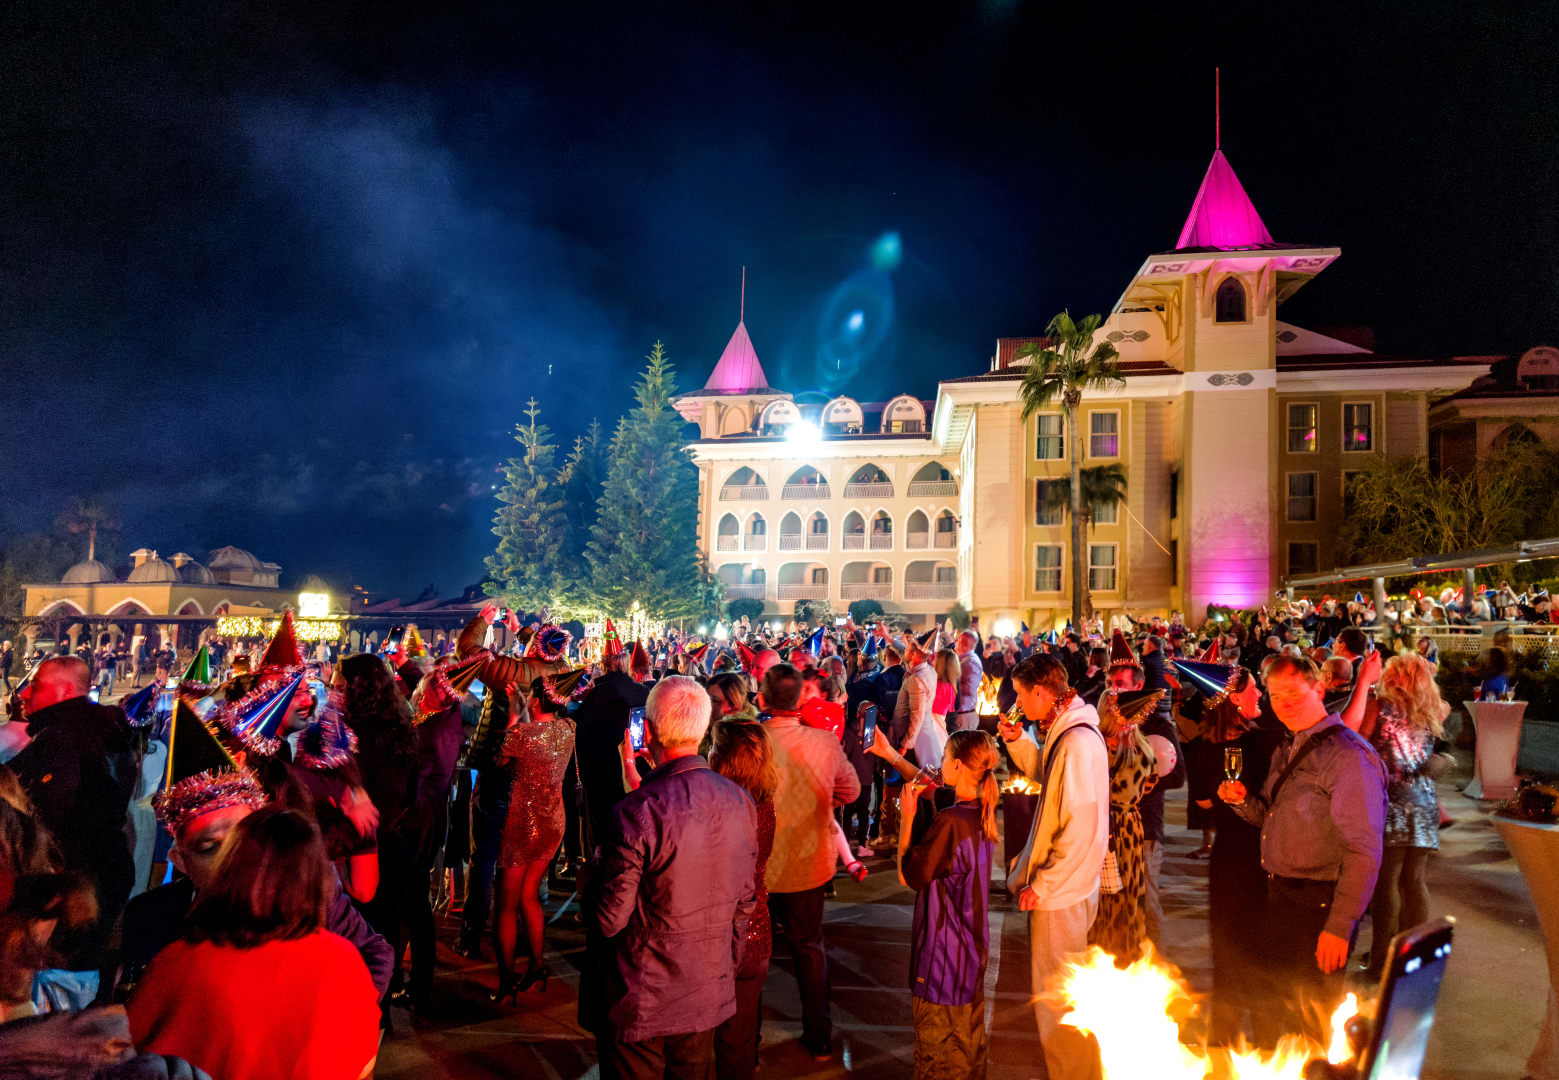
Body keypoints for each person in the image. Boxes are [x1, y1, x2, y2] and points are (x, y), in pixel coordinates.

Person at [118, 701, 393, 1000]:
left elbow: (376, 954)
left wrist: (340, 1017)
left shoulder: (308, 891)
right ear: (180, 861)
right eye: (210, 847)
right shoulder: (149, 918)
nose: (234, 855)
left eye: (244, 835)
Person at [127, 807, 382, 1080]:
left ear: (234, 867)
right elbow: (361, 1064)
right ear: (316, 877)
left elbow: (133, 1047)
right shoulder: (341, 961)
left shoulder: (177, 960)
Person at [592, 677, 758, 1080]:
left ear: (647, 732)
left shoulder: (636, 812)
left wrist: (594, 870)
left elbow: (609, 918)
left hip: (643, 994)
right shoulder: (739, 800)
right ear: (703, 731)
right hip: (706, 987)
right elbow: (744, 904)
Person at [1217, 656, 1387, 1045]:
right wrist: (1241, 802)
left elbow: (1363, 850)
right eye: (1276, 695)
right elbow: (1270, 819)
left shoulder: (1348, 756)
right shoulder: (1290, 745)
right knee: (1276, 1012)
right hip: (1280, 899)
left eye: (1294, 692)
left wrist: (1340, 926)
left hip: (1319, 906)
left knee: (1311, 1020)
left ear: (1320, 689)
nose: (1284, 703)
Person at [998, 653, 1109, 1080]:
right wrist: (1018, 742)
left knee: (1056, 991)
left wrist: (1044, 883)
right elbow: (1050, 773)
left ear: (1041, 692)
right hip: (1071, 884)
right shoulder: (1069, 730)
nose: (1018, 704)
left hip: (1063, 890)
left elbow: (1079, 825)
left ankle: (1071, 1071)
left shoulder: (1076, 741)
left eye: (1021, 695)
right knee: (1062, 985)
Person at [9, 656, 138, 992]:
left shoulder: (64, 737)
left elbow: (45, 807)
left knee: (55, 979)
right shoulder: (103, 731)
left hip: (73, 883)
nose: (26, 694)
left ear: (66, 690)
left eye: (37, 685)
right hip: (102, 872)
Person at [761, 663, 861, 1061]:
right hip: (808, 862)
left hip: (762, 864)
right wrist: (819, 800)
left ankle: (744, 1044)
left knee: (754, 955)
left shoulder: (753, 741)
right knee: (809, 947)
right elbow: (851, 791)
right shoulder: (823, 741)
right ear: (800, 699)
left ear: (763, 698)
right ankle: (819, 1035)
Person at [898, 730, 999, 1080]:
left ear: (957, 765)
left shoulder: (951, 822)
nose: (940, 764)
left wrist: (907, 817)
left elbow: (909, 876)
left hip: (941, 962)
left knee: (937, 1063)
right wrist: (889, 753)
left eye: (944, 758)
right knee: (969, 1056)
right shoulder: (980, 813)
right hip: (969, 958)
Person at [490, 672, 579, 1002]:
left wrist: (514, 716)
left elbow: (500, 759)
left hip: (522, 821)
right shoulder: (568, 729)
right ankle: (538, 967)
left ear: (537, 701)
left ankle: (506, 982)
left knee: (506, 903)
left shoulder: (521, 734)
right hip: (553, 820)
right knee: (530, 894)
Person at [1358, 653, 1446, 980]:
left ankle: (1381, 960)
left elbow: (1358, 741)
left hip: (1390, 798)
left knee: (1387, 882)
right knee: (1415, 880)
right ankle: (1414, 958)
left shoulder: (1378, 707)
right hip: (1423, 799)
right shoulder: (1433, 709)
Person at [707, 720, 777, 1080]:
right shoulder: (764, 805)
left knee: (702, 1044)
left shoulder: (716, 811)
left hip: (720, 937)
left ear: (724, 758)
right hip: (757, 932)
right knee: (740, 1038)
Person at [1086, 689, 1161, 966]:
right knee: (1104, 898)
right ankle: (1103, 958)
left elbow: (1131, 789)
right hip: (1107, 827)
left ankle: (1117, 958)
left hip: (1118, 829)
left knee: (1120, 897)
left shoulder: (1133, 748)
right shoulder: (1099, 743)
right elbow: (1148, 784)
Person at [950, 631, 983, 734]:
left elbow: (970, 690)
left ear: (963, 644)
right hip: (960, 716)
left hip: (964, 717)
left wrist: (951, 681)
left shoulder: (971, 662)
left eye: (957, 640)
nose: (955, 642)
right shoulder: (964, 659)